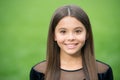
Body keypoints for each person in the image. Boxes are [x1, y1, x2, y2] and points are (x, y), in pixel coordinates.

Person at [30, 5, 113, 80]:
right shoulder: (39, 72)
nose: (71, 38)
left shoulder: (103, 71)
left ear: (87, 34)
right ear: (54, 35)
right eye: (63, 31)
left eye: (78, 31)